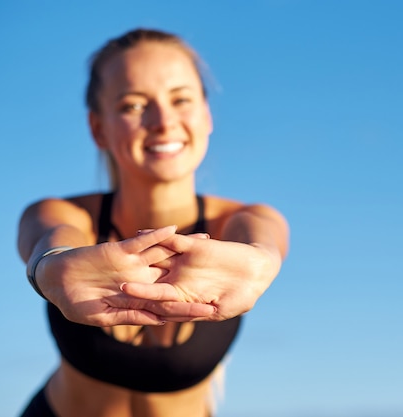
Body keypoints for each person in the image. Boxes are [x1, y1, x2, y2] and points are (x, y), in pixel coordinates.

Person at [17, 28, 289, 417]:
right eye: (132, 105)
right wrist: (50, 267)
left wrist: (263, 261)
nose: (163, 121)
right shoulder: (66, 214)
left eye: (181, 100)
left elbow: (265, 242)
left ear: (206, 114)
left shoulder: (241, 220)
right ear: (98, 128)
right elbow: (48, 238)